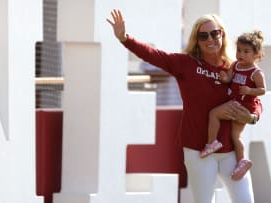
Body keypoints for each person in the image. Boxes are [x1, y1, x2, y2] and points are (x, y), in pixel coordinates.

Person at [107, 9, 258, 203]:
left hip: (231, 151)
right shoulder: (186, 64)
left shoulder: (236, 67)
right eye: (203, 35)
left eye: (215, 33)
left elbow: (256, 98)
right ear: (197, 40)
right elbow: (154, 55)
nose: (210, 39)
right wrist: (125, 38)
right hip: (199, 150)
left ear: (223, 34)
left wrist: (253, 117)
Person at [200, 30, 266, 181]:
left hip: (242, 107)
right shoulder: (236, 65)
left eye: (246, 51)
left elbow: (263, 90)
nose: (241, 54)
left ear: (257, 54)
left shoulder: (256, 73)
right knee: (235, 135)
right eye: (239, 50)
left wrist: (250, 90)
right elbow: (229, 78)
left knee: (214, 115)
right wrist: (224, 78)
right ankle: (241, 160)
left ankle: (212, 143)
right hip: (234, 103)